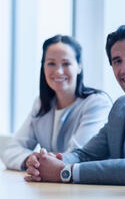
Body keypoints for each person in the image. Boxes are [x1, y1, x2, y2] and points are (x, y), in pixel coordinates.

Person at [24, 25, 125, 186]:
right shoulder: (120, 106)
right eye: (117, 61)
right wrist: (45, 162)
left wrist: (65, 172)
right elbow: (86, 154)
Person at [1, 35, 111, 171]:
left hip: (86, 186)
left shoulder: (97, 103)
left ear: (79, 67)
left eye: (66, 64)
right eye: (51, 63)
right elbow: (11, 150)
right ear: (43, 67)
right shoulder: (41, 104)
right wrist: (29, 159)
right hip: (50, 185)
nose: (58, 71)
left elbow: (79, 155)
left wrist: (41, 161)